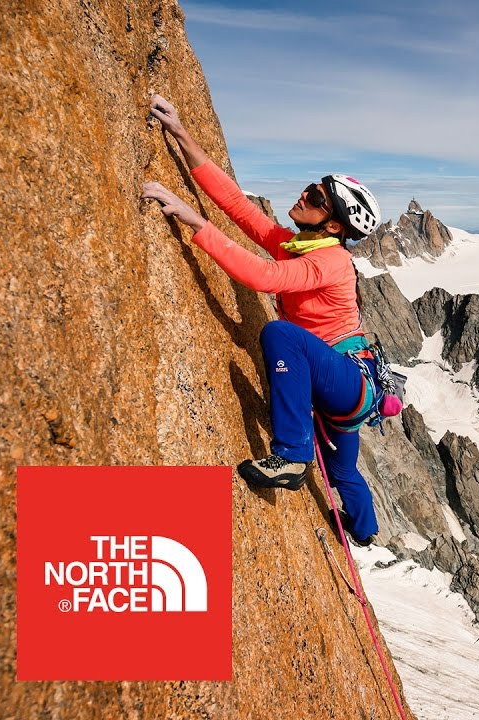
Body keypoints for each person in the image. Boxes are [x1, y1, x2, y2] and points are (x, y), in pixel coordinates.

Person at [141, 94, 382, 546]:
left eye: (316, 198)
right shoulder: (302, 246)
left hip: (343, 379)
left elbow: (263, 276)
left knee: (279, 334)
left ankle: (292, 456)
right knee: (342, 471)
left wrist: (195, 223)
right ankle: (365, 531)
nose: (304, 195)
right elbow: (239, 207)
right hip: (344, 387)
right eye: (311, 187)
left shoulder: (329, 261)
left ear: (333, 226)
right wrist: (181, 134)